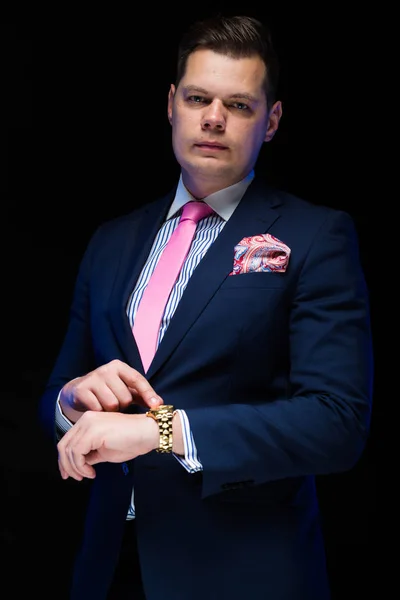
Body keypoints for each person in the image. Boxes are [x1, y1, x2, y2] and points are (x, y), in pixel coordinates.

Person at [38, 13, 373, 600]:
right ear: (172, 104)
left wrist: (161, 432)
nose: (213, 118)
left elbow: (336, 423)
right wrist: (70, 402)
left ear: (270, 121)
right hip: (109, 565)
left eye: (239, 105)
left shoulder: (316, 236)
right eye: (198, 98)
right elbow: (53, 397)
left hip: (243, 573)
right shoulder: (111, 241)